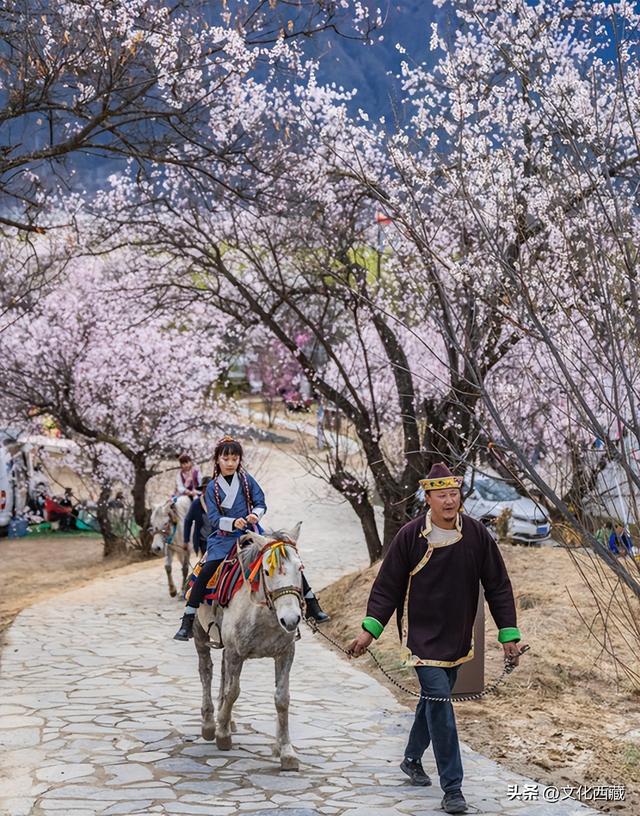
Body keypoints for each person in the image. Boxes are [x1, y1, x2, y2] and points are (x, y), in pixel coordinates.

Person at [348, 463, 525, 816]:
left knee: (432, 701)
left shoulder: (476, 535)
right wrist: (370, 631)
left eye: (454, 494)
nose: (449, 501)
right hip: (421, 637)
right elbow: (387, 587)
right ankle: (453, 788)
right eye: (441, 495)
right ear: (427, 498)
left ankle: (412, 758)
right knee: (440, 703)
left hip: (458, 635)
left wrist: (508, 634)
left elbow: (498, 585)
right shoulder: (410, 536)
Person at [174, 436, 328, 641]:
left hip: (253, 535)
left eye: (235, 459)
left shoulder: (247, 480)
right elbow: (214, 518)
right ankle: (188, 619)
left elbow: (260, 502)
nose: (230, 463)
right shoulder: (212, 488)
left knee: (286, 559)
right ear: (217, 460)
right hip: (224, 538)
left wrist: (255, 514)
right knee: (206, 572)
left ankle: (312, 604)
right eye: (226, 459)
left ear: (239, 460)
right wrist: (232, 523)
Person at [183, 476, 212, 558]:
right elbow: (188, 521)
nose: (207, 491)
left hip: (219, 540)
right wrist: (186, 540)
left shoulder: (219, 502)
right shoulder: (196, 504)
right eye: (205, 488)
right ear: (202, 490)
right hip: (204, 542)